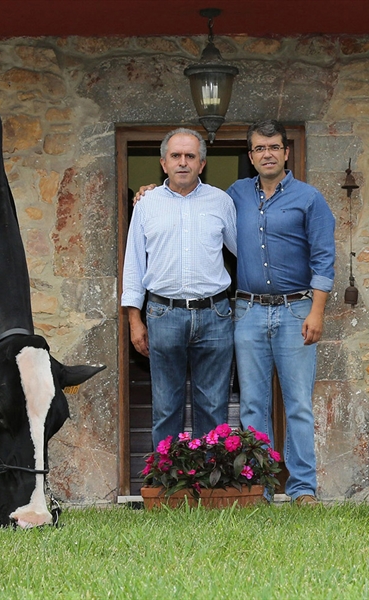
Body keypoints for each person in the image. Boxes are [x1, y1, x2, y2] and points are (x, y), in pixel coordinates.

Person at [229, 120, 335, 505]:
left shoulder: (310, 198)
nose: (267, 154)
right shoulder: (236, 194)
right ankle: (262, 486)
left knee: (299, 405)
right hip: (249, 311)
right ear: (251, 155)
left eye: (274, 146)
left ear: (286, 152)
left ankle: (303, 487)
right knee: (253, 405)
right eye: (259, 148)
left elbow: (325, 259)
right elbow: (196, 205)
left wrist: (317, 311)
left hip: (297, 311)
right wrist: (150, 192)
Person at [121, 127, 237, 450]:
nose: (183, 162)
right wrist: (134, 320)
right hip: (163, 314)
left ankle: (211, 486)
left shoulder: (221, 202)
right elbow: (134, 265)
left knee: (213, 408)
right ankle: (167, 488)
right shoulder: (146, 205)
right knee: (165, 408)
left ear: (202, 164)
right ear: (163, 163)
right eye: (176, 156)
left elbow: (246, 253)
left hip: (215, 314)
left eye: (190, 156)